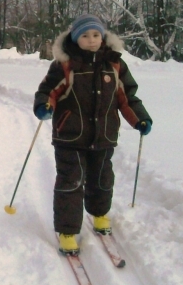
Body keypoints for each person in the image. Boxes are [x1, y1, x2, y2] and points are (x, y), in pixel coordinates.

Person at [33, 14, 152, 255]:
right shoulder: (65, 64)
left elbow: (127, 96)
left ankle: (99, 215)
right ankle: (67, 231)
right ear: (76, 39)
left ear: (103, 36)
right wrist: (45, 105)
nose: (91, 40)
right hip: (70, 136)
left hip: (103, 135)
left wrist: (139, 118)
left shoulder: (115, 64)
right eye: (85, 36)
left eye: (96, 35)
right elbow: (49, 91)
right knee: (71, 182)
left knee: (101, 179)